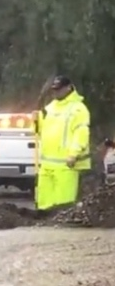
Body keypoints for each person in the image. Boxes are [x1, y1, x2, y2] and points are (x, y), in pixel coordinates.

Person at [35, 75, 91, 211]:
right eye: (54, 90)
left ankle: (62, 230)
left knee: (63, 206)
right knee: (44, 205)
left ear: (69, 88)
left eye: (59, 90)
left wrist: (74, 154)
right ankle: (45, 229)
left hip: (66, 165)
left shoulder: (78, 109)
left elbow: (81, 133)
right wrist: (36, 122)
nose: (56, 93)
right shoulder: (50, 108)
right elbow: (41, 132)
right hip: (47, 165)